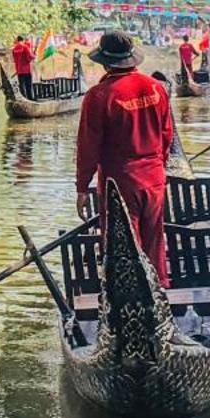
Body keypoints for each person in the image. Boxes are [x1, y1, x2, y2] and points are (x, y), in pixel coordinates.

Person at [75, 32, 177, 286]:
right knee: (154, 237)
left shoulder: (99, 96)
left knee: (122, 242)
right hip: (154, 176)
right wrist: (158, 165)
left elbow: (88, 147)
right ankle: (158, 288)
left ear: (105, 62)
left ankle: (130, 294)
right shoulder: (157, 88)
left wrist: (81, 187)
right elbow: (167, 135)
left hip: (119, 181)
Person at [11, 33, 36, 99]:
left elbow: (14, 60)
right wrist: (34, 56)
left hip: (19, 71)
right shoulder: (25, 47)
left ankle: (24, 99)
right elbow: (30, 57)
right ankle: (30, 99)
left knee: (22, 86)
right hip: (26, 70)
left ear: (17, 40)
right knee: (28, 86)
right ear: (22, 40)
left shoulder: (14, 49)